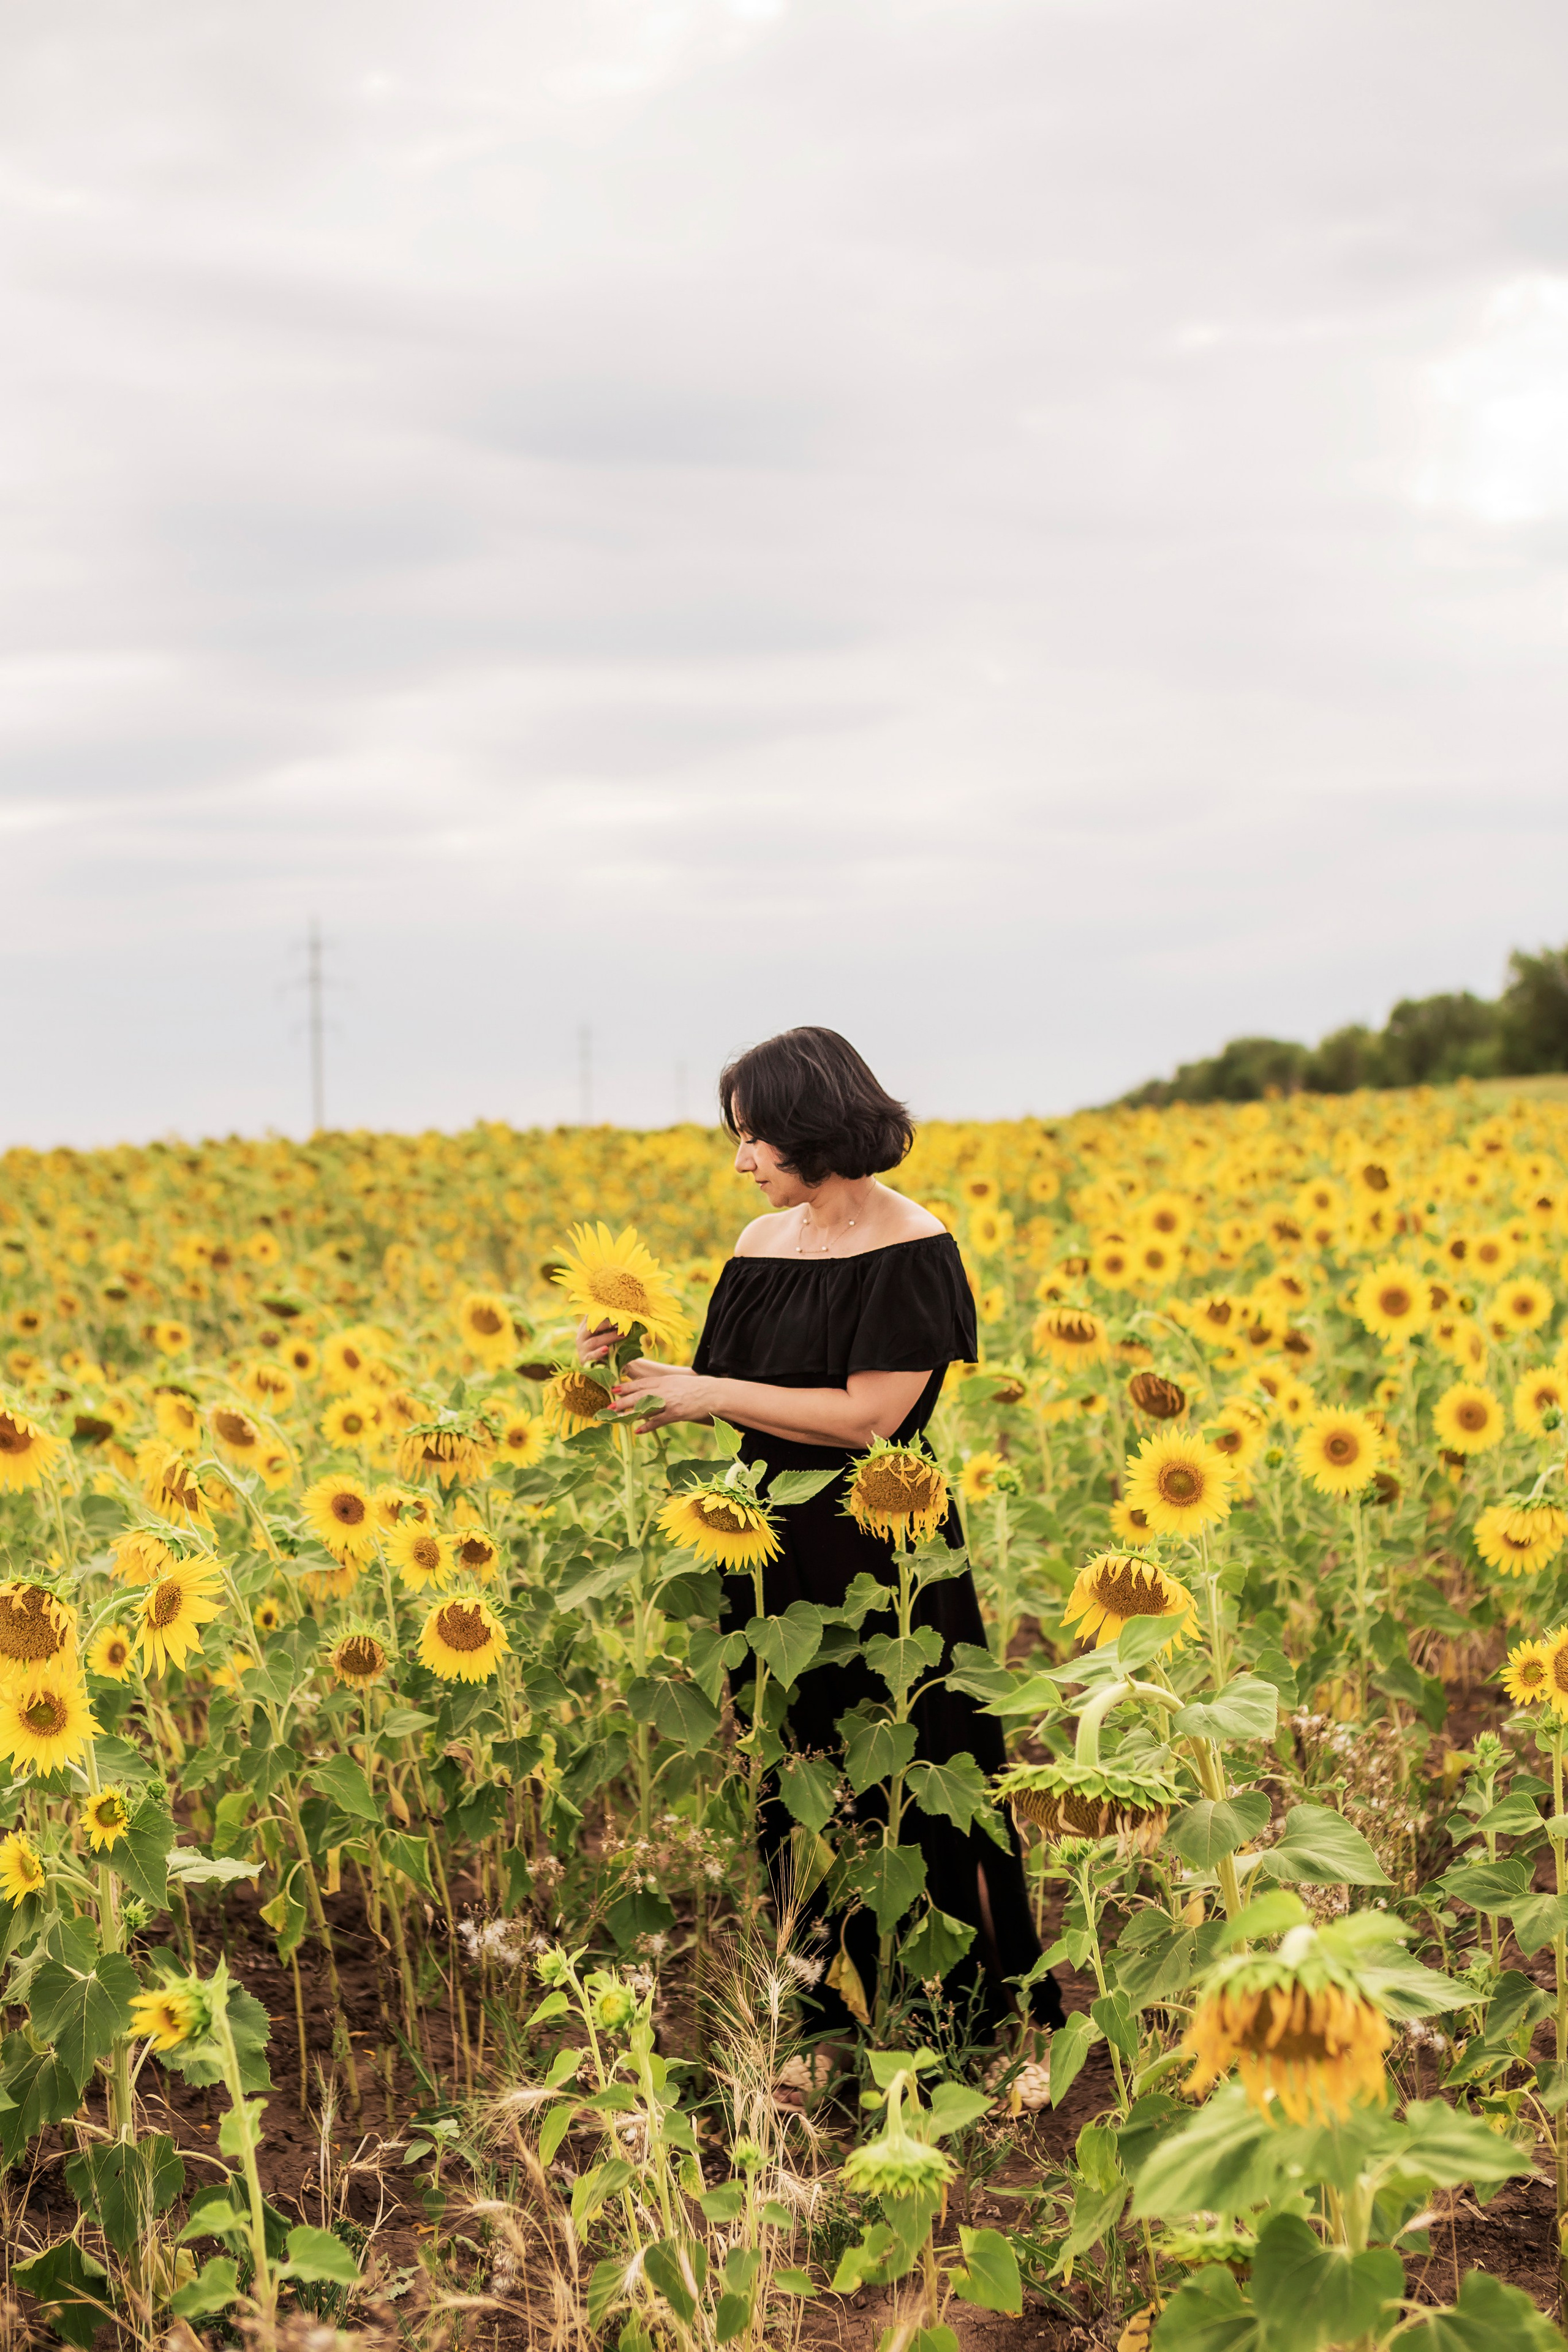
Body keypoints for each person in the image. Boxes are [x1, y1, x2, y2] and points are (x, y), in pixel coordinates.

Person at [580, 1025, 1063, 2038]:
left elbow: (870, 1416)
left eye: (754, 1137)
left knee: (916, 1771)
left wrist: (713, 1390)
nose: (741, 1159)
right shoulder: (763, 1246)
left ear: (810, 1128)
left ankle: (951, 2014)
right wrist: (628, 1365)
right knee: (796, 1780)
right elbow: (727, 1392)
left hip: (880, 1546)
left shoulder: (914, 1247)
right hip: (765, 1546)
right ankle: (825, 2015)